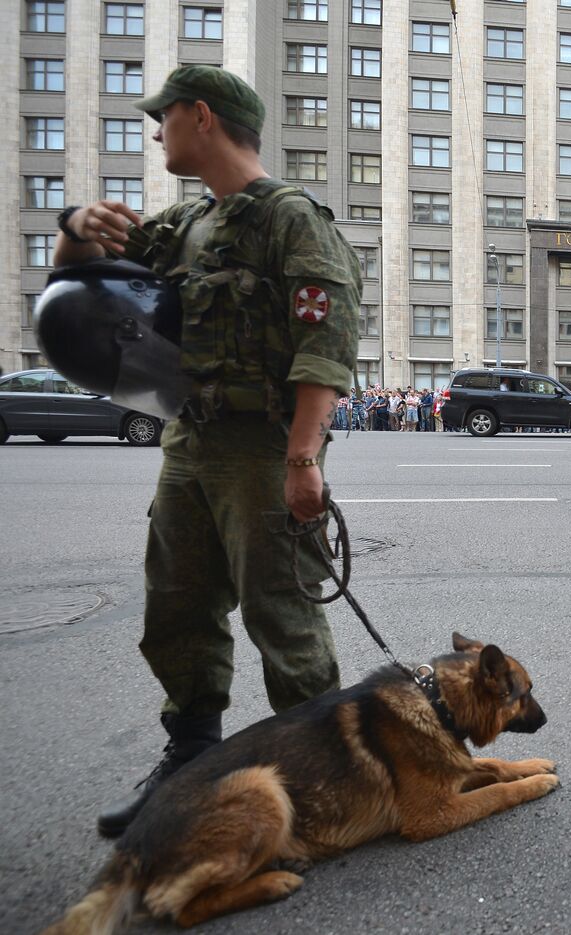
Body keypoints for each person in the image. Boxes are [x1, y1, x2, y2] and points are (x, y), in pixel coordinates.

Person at [52, 65, 361, 838]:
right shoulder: (184, 226)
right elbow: (80, 285)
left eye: (164, 118)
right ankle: (190, 763)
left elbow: (327, 344)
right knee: (177, 604)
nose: (156, 133)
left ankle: (324, 777)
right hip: (188, 439)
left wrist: (302, 459)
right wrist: (74, 227)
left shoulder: (290, 217)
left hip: (263, 446)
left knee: (282, 613)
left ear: (202, 117)